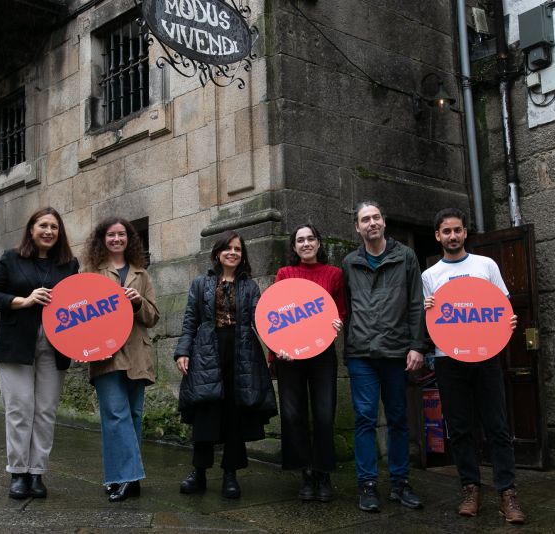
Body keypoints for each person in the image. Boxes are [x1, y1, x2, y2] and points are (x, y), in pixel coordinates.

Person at [421, 207, 525, 524]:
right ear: (437, 236)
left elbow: (501, 308)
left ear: (465, 233)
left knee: (498, 426)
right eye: (446, 231)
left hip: (485, 355)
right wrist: (428, 311)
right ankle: (470, 489)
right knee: (461, 428)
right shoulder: (429, 276)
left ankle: (508, 494)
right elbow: (431, 324)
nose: (452, 236)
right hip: (447, 358)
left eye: (457, 230)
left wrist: (509, 320)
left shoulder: (486, 265)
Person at [0, 207, 79, 499]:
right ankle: (18, 472)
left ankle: (37, 473)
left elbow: (78, 303)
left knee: (45, 411)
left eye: (54, 227)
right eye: (43, 226)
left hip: (55, 346)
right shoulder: (11, 259)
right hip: (16, 345)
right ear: (31, 229)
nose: (49, 231)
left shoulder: (69, 265)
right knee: (20, 409)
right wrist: (23, 301)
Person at [174, 231, 277, 499]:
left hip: (242, 354)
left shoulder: (250, 287)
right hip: (207, 353)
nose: (233, 252)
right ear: (218, 253)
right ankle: (199, 473)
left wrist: (283, 343)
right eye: (228, 248)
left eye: (238, 249)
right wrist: (182, 352)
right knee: (205, 413)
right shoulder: (200, 284)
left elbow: (263, 321)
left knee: (234, 415)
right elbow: (190, 321)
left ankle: (231, 474)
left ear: (242, 255)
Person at [342, 201, 425, 512]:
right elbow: (345, 307)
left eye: (376, 217)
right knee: (364, 418)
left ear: (384, 222)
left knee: (398, 418)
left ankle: (400, 482)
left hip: (395, 351)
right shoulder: (349, 262)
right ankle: (367, 484)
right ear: (358, 227)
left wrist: (417, 345)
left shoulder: (405, 257)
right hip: (361, 353)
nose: (372, 223)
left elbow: (417, 302)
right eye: (365, 219)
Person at [83, 218, 160, 502]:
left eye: (122, 234)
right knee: (115, 415)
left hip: (137, 352)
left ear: (129, 238)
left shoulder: (142, 273)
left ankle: (121, 476)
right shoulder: (91, 272)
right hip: (106, 355)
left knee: (134, 416)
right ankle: (129, 477)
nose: (117, 239)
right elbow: (82, 316)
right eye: (111, 234)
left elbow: (153, 317)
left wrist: (138, 301)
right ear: (102, 239)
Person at [272, 224, 346, 502]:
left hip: (322, 354)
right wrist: (277, 351)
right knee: (293, 415)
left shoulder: (334, 274)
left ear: (318, 243)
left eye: (310, 238)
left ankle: (323, 473)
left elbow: (340, 310)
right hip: (291, 356)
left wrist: (338, 323)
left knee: (324, 414)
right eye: (300, 240)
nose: (305, 243)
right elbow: (275, 314)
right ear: (293, 247)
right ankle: (305, 472)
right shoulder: (285, 274)